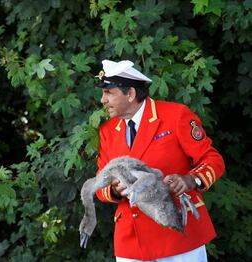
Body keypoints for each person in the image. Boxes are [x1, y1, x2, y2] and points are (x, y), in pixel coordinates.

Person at [94, 60, 225, 261]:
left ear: (130, 93)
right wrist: (113, 190)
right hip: (131, 241)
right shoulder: (108, 131)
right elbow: (100, 183)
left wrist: (190, 180)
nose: (103, 100)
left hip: (179, 235)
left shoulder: (175, 115)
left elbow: (212, 159)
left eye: (109, 92)